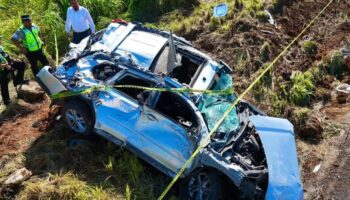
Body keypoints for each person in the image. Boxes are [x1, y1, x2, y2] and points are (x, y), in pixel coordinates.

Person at [0, 35, 27, 105]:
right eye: (0, 39)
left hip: (8, 65)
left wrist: (13, 59)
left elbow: (5, 57)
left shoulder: (0, 48)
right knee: (4, 83)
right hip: (2, 70)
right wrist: (5, 65)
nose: (1, 40)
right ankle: (6, 100)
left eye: (0, 39)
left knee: (21, 63)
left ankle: (18, 81)